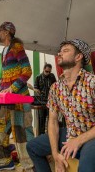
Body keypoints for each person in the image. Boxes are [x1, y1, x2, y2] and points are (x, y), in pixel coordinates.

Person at [26, 39, 95, 172]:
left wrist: (78, 140)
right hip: (70, 133)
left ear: (78, 56)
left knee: (87, 167)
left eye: (65, 50)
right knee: (32, 147)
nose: (60, 53)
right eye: (60, 51)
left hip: (91, 137)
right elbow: (52, 121)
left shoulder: (92, 82)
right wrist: (55, 154)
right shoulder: (56, 87)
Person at [0, 22, 34, 171]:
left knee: (22, 132)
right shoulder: (4, 50)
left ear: (7, 32)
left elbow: (27, 71)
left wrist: (12, 88)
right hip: (7, 100)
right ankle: (4, 161)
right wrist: (0, 91)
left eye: (0, 30)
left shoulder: (17, 48)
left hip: (19, 98)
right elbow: (7, 76)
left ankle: (29, 165)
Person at [34, 63, 56, 135]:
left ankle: (50, 135)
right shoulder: (38, 77)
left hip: (51, 101)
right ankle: (41, 135)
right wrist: (36, 91)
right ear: (43, 69)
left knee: (51, 119)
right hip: (42, 101)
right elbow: (35, 88)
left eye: (49, 72)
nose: (48, 73)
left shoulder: (52, 76)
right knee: (41, 119)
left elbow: (55, 86)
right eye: (46, 71)